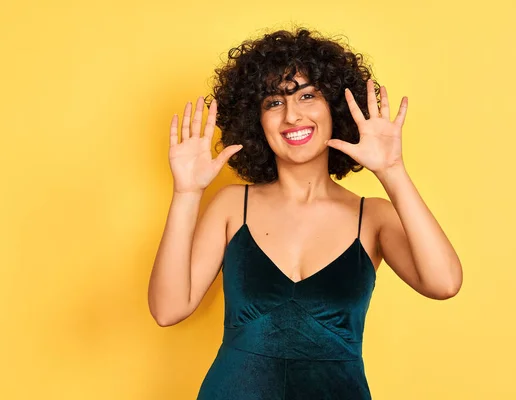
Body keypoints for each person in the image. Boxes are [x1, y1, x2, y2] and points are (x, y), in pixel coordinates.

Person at [148, 27, 463, 400]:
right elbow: (168, 310)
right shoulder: (232, 206)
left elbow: (444, 284)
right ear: (256, 121)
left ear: (336, 108)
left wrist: (392, 170)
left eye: (307, 96)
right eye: (274, 102)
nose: (292, 116)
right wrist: (186, 193)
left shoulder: (374, 218)